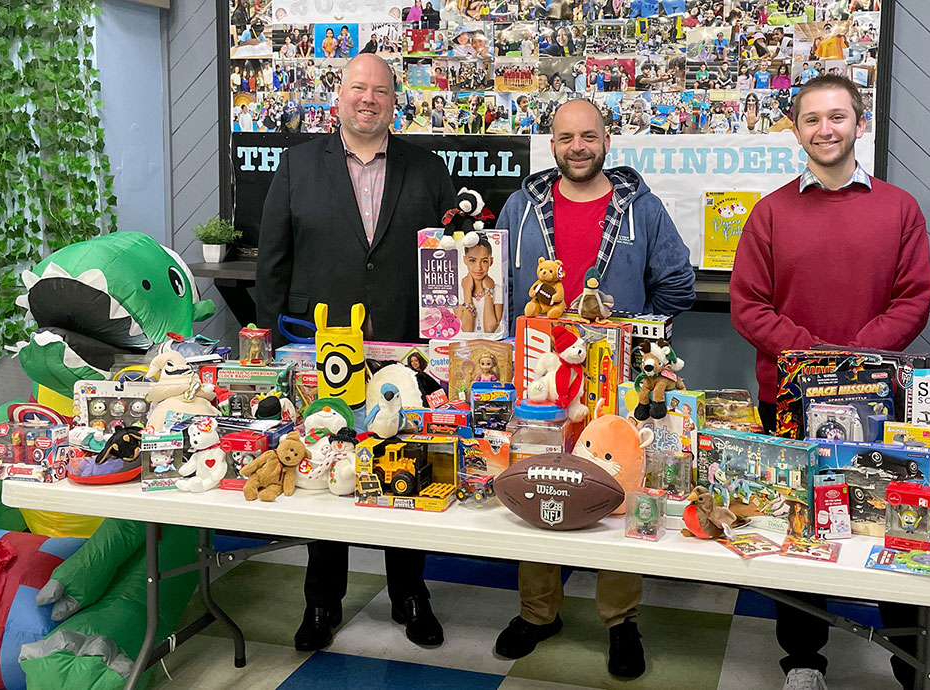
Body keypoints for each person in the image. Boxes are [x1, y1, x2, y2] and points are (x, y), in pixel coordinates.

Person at [729, 75, 930, 690]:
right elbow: (749, 306)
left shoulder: (899, 208)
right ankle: (802, 662)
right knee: (801, 533)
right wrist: (815, 360)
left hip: (882, 405)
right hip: (788, 405)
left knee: (895, 531)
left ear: (859, 123)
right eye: (813, 119)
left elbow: (914, 299)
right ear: (796, 130)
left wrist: (848, 361)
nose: (826, 129)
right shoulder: (770, 212)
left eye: (838, 117)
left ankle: (914, 665)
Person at [256, 54, 458, 653]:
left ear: (395, 101)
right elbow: (273, 262)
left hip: (406, 349)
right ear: (338, 96)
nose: (368, 99)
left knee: (406, 464)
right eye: (357, 88)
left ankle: (410, 595)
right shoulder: (296, 166)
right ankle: (321, 603)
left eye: (381, 91)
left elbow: (451, 253)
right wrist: (269, 344)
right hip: (320, 352)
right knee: (324, 463)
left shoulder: (427, 168)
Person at [494, 98, 696, 679]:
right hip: (537, 378)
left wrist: (637, 344)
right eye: (564, 137)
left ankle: (621, 620)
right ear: (550, 143)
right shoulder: (520, 207)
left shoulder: (642, 208)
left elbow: (677, 281)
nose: (576, 147)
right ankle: (538, 613)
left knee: (619, 491)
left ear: (607, 139)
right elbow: (503, 287)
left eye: (588, 136)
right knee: (535, 480)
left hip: (615, 385)